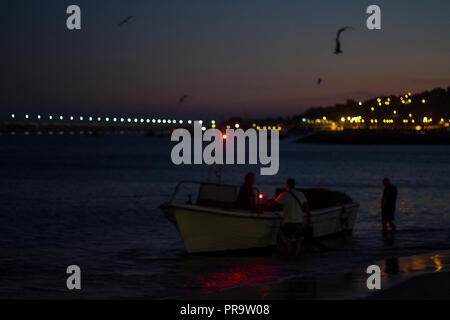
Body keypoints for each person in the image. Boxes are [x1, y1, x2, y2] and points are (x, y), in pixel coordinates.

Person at [266, 178, 311, 258]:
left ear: (287, 186)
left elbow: (274, 204)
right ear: (295, 185)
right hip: (298, 222)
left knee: (288, 239)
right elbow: (306, 207)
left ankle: (288, 256)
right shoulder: (301, 194)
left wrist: (266, 205)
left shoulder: (284, 195)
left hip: (288, 222)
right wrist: (308, 218)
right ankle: (296, 255)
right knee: (299, 239)